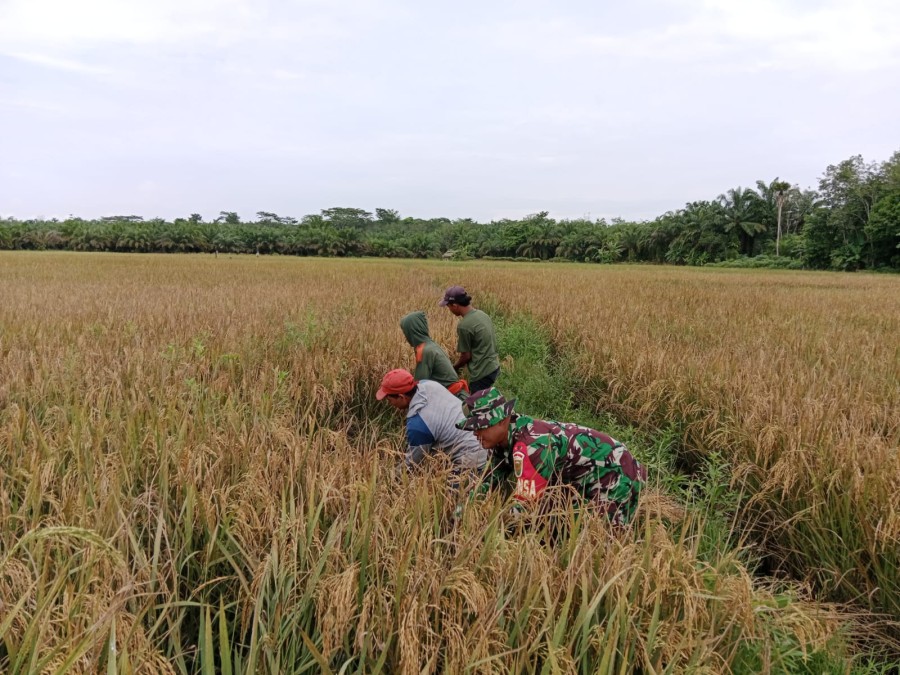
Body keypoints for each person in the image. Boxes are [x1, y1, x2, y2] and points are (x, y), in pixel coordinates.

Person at [457, 387, 647, 525]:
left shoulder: (532, 447)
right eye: (473, 428)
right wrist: (461, 512)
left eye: (481, 427)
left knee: (601, 540)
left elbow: (525, 505)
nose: (476, 433)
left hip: (616, 473)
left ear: (503, 420)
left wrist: (487, 531)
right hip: (580, 477)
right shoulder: (502, 443)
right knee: (559, 524)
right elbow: (489, 482)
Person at [376, 369, 487, 474]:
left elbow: (412, 464)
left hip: (473, 457)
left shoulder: (418, 425)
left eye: (389, 400)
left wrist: (389, 477)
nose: (390, 404)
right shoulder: (428, 384)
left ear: (401, 397)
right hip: (486, 438)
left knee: (451, 492)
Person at [439, 285, 501, 394]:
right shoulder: (482, 314)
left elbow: (466, 356)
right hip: (493, 367)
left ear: (455, 305)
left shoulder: (464, 326)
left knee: (477, 408)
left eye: (448, 306)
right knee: (488, 401)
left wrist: (454, 368)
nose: (449, 309)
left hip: (481, 373)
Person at [399, 310, 468, 400]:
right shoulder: (431, 345)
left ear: (412, 332)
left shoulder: (424, 351)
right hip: (457, 397)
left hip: (454, 399)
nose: (406, 337)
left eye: (406, 333)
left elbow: (419, 386)